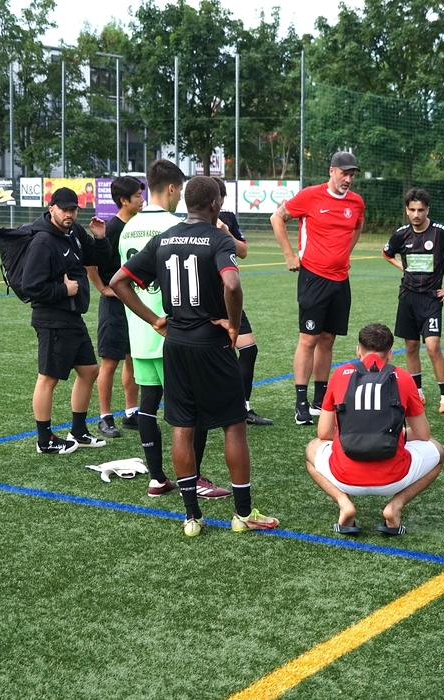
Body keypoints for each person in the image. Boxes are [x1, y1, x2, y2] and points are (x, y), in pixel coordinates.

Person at [112, 176, 279, 537]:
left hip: (175, 343)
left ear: (187, 202)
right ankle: (243, 514)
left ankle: (192, 517)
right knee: (233, 424)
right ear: (216, 204)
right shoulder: (218, 238)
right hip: (211, 343)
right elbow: (232, 284)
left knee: (182, 426)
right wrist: (233, 325)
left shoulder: (164, 238)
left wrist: (155, 319)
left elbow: (118, 282)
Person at [113, 160, 231, 501]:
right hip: (176, 330)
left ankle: (157, 479)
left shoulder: (129, 226)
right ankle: (194, 481)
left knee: (148, 405)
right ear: (171, 188)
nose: (180, 197)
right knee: (192, 413)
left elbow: (124, 280)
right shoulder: (174, 226)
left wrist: (149, 319)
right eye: (179, 190)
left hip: (141, 327)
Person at [304, 323, 444, 535]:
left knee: (311, 449)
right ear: (390, 354)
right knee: (438, 451)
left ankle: (344, 503)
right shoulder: (404, 377)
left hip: (344, 476)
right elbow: (423, 435)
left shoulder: (340, 374)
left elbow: (324, 433)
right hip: (394, 477)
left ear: (358, 351)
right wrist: (393, 434)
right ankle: (395, 507)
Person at [271, 151, 366, 425]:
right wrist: (289, 255)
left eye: (351, 175)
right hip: (313, 278)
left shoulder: (356, 202)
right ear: (331, 171)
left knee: (327, 340)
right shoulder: (310, 196)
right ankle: (300, 403)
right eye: (344, 173)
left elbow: (357, 227)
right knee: (308, 339)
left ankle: (319, 400)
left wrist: (346, 252)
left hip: (341, 280)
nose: (348, 179)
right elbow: (277, 218)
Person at [21, 187, 110, 454]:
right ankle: (44, 440)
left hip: (72, 317)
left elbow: (96, 258)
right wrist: (64, 290)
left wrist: (100, 238)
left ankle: (78, 431)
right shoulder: (43, 241)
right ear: (52, 209)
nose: (69, 214)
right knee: (48, 378)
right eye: (64, 209)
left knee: (89, 370)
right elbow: (30, 286)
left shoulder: (75, 233)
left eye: (73, 209)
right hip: (52, 318)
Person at [382, 188, 444, 414]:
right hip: (407, 297)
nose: (416, 214)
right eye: (412, 210)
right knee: (410, 347)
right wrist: (402, 266)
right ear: (407, 210)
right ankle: (416, 392)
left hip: (431, 298)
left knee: (433, 346)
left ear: (427, 209)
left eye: (420, 210)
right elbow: (387, 253)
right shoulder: (401, 234)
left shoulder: (441, 232)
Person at [87, 176, 144, 438]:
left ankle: (131, 412)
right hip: (113, 305)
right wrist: (103, 288)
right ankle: (105, 417)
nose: (142, 200)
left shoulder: (137, 226)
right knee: (110, 362)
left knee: (133, 358)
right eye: (138, 196)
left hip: (134, 304)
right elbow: (90, 262)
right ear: (124, 200)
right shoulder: (111, 228)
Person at [215, 177, 272, 426]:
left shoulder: (227, 218)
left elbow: (243, 251)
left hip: (228, 296)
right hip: (206, 297)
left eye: (219, 198)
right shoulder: (191, 221)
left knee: (248, 349)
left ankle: (241, 407)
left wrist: (225, 232)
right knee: (211, 353)